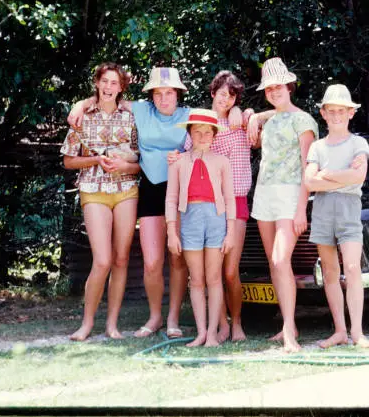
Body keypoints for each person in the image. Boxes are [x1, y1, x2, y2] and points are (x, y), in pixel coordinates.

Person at [67, 67, 245, 339]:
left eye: (170, 93)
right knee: (151, 262)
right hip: (151, 188)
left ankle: (173, 318)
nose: (164, 98)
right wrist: (80, 104)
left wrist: (244, 113)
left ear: (178, 94)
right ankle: (155, 317)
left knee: (178, 259)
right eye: (159, 93)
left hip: (182, 191)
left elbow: (217, 115)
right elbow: (107, 97)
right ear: (151, 95)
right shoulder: (140, 110)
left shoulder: (188, 115)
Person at [60, 62, 140, 341]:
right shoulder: (83, 115)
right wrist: (95, 160)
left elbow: (142, 163)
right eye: (104, 81)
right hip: (93, 190)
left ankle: (112, 325)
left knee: (120, 259)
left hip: (126, 190)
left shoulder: (131, 117)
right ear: (97, 83)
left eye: (114, 83)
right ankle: (86, 324)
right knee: (103, 260)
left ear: (121, 87)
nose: (108, 87)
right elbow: (69, 160)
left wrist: (124, 167)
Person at [246, 57, 318, 353]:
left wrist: (302, 207)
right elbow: (265, 120)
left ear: (289, 86)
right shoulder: (271, 119)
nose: (274, 92)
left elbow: (307, 168)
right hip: (265, 195)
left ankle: (290, 332)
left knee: (279, 260)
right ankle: (288, 325)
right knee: (274, 265)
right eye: (269, 88)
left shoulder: (305, 121)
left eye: (279, 86)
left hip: (291, 196)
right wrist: (253, 115)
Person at [304, 84, 369, 348]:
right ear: (323, 113)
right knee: (330, 272)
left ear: (350, 113)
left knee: (353, 268)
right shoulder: (317, 147)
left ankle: (357, 333)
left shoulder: (358, 143)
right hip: (323, 210)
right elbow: (309, 183)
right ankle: (339, 331)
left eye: (341, 111)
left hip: (348, 209)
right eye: (331, 111)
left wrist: (326, 175)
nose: (336, 116)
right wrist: (340, 176)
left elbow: (358, 176)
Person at [165, 108, 236, 347]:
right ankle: (201, 332)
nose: (203, 137)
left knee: (214, 277)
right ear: (189, 134)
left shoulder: (222, 162)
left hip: (216, 218)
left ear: (215, 135)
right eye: (197, 132)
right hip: (190, 219)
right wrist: (171, 232)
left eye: (208, 132)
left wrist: (231, 231)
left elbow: (229, 198)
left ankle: (214, 335)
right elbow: (171, 198)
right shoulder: (178, 162)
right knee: (196, 279)